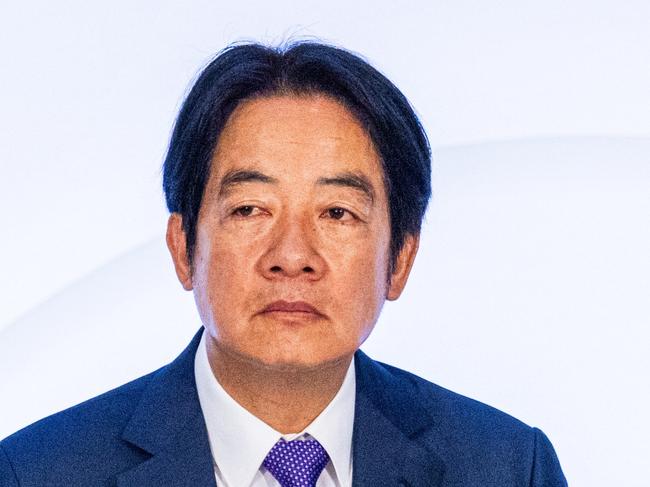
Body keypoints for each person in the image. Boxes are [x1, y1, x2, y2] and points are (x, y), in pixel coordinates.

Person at [0, 41, 567, 486]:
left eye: (337, 213)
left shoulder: (508, 466)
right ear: (182, 249)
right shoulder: (39, 472)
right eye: (250, 209)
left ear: (399, 260)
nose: (292, 257)